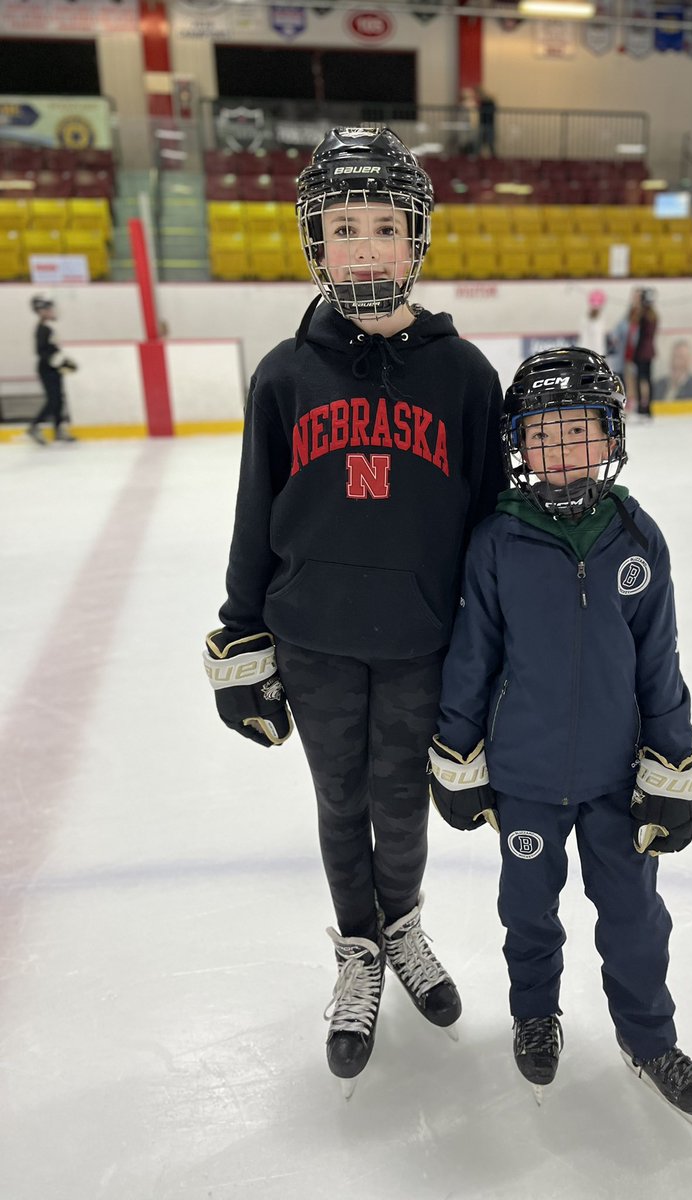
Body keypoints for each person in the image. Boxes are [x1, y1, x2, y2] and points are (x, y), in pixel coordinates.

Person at [202, 126, 506, 1097]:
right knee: (341, 802)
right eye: (345, 227)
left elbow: (492, 530)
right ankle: (360, 954)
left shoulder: (466, 379)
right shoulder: (284, 377)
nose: (365, 245)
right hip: (314, 643)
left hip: (423, 643)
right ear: (315, 241)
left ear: (416, 237)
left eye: (383, 225)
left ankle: (404, 925)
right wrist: (240, 632)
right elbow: (256, 514)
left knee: (402, 801)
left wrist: (497, 657)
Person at [427, 347, 692, 1129]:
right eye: (544, 436)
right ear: (521, 445)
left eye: (580, 432)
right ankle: (534, 1015)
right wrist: (457, 755)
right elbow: (473, 656)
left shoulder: (635, 537)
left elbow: (660, 665)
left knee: (633, 918)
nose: (562, 453)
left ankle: (650, 1039)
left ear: (611, 436)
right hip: (523, 776)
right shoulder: (497, 542)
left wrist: (673, 766)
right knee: (528, 910)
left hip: (616, 779)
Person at [27, 295, 77, 446]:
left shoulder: (48, 328)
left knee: (59, 399)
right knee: (53, 400)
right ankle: (34, 426)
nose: (51, 311)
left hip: (52, 369)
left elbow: (52, 350)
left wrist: (62, 364)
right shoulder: (42, 329)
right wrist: (58, 362)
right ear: (41, 311)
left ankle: (58, 430)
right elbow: (41, 352)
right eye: (48, 309)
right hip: (47, 369)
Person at [630, 288, 658, 419]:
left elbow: (638, 334)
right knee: (648, 380)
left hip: (642, 352)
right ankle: (648, 407)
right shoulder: (653, 315)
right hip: (649, 351)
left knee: (641, 379)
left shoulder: (643, 315)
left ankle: (642, 407)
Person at [651, 338, 692, 402]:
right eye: (674, 356)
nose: (676, 362)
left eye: (681, 357)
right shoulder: (657, 385)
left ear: (690, 360)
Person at [578, 288, 607, 359]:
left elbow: (600, 341)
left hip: (598, 353)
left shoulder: (601, 319)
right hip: (586, 353)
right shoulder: (585, 319)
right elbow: (583, 338)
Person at [476, 87, 497, 158]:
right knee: (481, 140)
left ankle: (492, 154)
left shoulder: (490, 102)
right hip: (483, 123)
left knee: (489, 140)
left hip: (488, 123)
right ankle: (478, 153)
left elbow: (492, 110)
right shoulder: (482, 102)